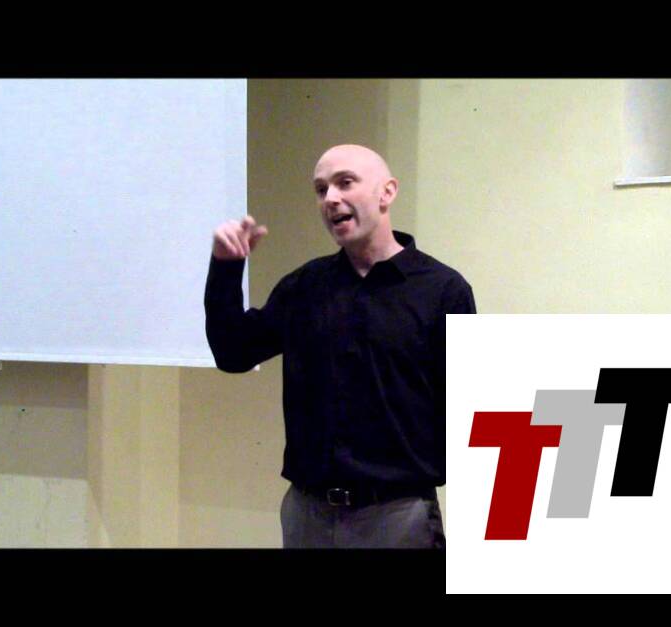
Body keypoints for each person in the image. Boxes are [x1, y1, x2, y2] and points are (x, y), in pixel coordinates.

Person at [204, 144, 475, 548]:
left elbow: (468, 406)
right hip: (308, 515)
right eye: (321, 189)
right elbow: (233, 353)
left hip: (397, 517)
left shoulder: (442, 291)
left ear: (387, 192)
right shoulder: (305, 287)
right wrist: (226, 268)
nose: (330, 198)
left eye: (345, 183)